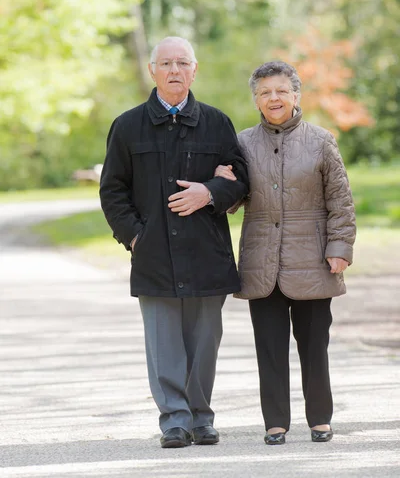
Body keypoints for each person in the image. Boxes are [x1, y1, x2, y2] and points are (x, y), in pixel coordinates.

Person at [99, 36, 249, 448]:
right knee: (164, 343)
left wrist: (210, 191)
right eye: (166, 63)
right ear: (153, 71)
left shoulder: (217, 123)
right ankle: (174, 421)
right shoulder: (128, 126)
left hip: (206, 252)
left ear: (194, 70)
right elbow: (112, 190)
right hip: (153, 254)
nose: (174, 71)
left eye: (182, 63)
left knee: (203, 343)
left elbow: (239, 180)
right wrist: (133, 236)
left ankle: (202, 418)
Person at [215, 60, 356, 445]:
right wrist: (223, 186)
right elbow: (232, 201)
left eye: (280, 91)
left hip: (313, 260)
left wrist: (340, 248)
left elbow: (340, 201)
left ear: (295, 95)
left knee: (315, 346)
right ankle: (275, 422)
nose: (273, 98)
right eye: (264, 92)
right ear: (256, 100)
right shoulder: (242, 143)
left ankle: (320, 419)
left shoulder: (321, 140)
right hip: (262, 262)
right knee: (270, 348)